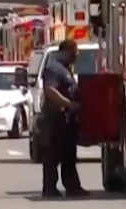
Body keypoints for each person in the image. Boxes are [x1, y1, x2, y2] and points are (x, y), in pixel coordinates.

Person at [40, 39, 88, 198]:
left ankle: (72, 186)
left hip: (66, 119)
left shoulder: (65, 68)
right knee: (53, 155)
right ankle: (50, 188)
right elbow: (50, 91)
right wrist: (69, 104)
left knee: (68, 154)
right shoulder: (53, 68)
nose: (77, 54)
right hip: (55, 117)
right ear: (66, 50)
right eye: (75, 51)